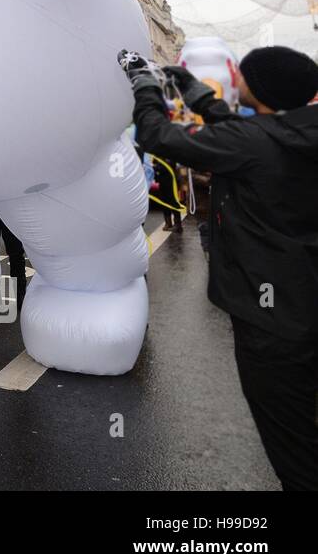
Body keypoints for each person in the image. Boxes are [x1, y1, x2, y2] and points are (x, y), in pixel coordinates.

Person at [121, 45, 318, 491]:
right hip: (303, 300)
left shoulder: (254, 142)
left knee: (292, 442)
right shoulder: (293, 134)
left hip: (272, 321)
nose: (238, 83)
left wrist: (144, 84)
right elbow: (251, 134)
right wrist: (193, 92)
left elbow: (155, 135)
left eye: (244, 77)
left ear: (261, 89)